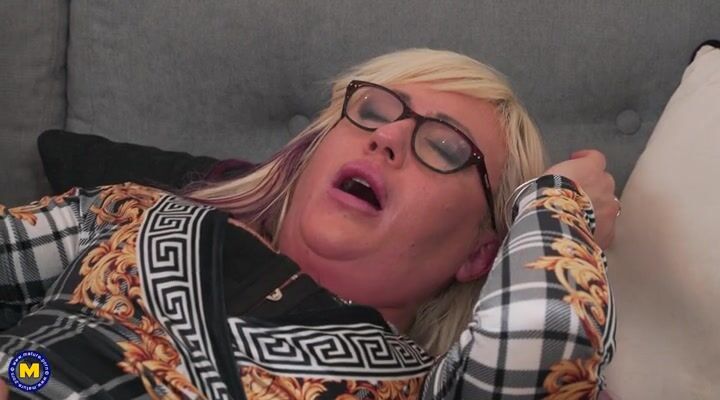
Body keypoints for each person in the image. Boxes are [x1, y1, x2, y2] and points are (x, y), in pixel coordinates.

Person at [0, 49, 617, 399]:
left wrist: (562, 203)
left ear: (481, 255)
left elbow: (548, 338)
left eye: (445, 147)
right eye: (372, 110)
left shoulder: (431, 387)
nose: (388, 135)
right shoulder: (138, 212)